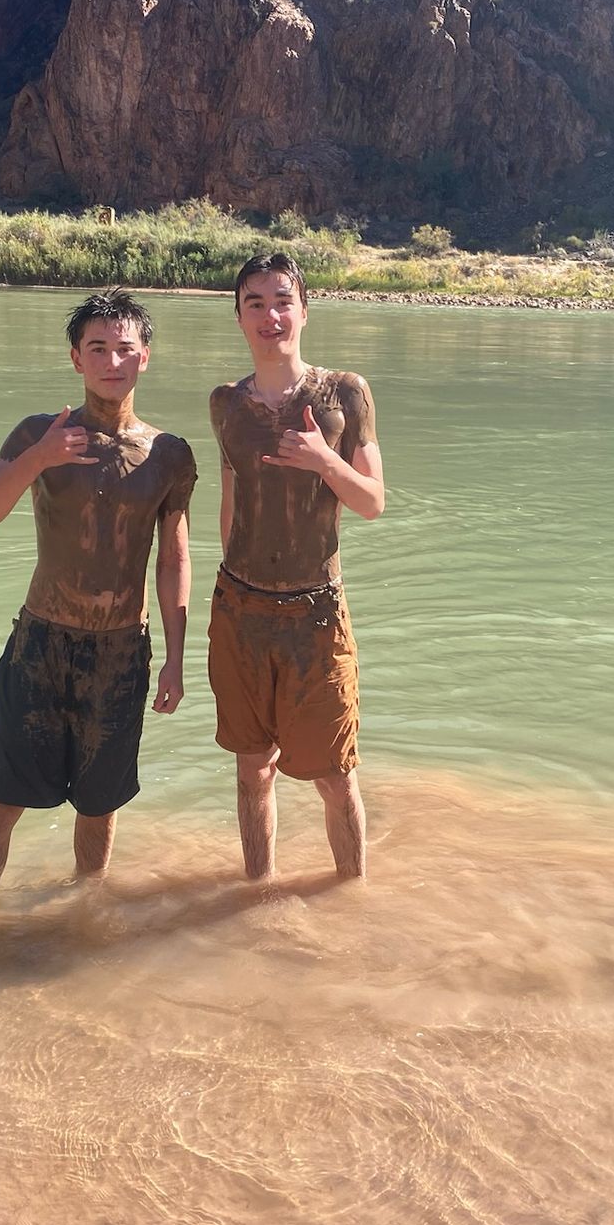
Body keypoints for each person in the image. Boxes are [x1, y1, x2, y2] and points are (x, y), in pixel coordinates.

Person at [0, 290, 196, 910]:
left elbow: (173, 560)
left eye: (124, 348)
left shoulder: (169, 454)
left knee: (100, 804)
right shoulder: (40, 433)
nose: (112, 361)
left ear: (145, 357)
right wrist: (39, 458)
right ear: (75, 358)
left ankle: (82, 915)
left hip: (121, 652)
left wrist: (175, 659)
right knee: (2, 798)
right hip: (41, 644)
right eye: (97, 348)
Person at [208, 252, 385, 881]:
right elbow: (230, 505)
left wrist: (323, 460)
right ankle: (255, 893)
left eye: (282, 301)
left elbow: (372, 502)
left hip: (315, 613)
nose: (270, 316)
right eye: (254, 304)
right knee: (252, 769)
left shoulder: (344, 393)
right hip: (241, 611)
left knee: (336, 776)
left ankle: (352, 894)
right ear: (239, 318)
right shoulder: (226, 404)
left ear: (304, 311)